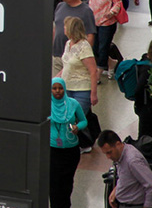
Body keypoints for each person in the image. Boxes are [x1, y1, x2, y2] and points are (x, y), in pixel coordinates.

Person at [49, 77, 87, 208]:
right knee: (54, 182)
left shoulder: (73, 103)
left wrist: (78, 127)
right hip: (53, 149)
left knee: (66, 182)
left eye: (60, 88)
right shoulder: (46, 104)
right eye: (54, 88)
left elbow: (84, 121)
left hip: (71, 150)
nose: (57, 91)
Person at [98, 130, 152, 208]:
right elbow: (127, 176)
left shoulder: (133, 161)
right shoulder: (121, 154)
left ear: (118, 144)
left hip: (134, 204)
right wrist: (116, 190)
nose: (108, 157)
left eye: (109, 152)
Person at [53, 0, 96, 75]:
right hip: (57, 55)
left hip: (73, 58)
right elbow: (56, 28)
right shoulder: (60, 6)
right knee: (56, 84)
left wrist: (82, 55)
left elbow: (90, 35)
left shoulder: (86, 11)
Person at [89, 0, 124, 76]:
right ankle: (111, 63)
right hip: (93, 20)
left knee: (103, 46)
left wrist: (112, 12)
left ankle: (99, 70)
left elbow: (118, 2)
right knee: (95, 46)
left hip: (107, 21)